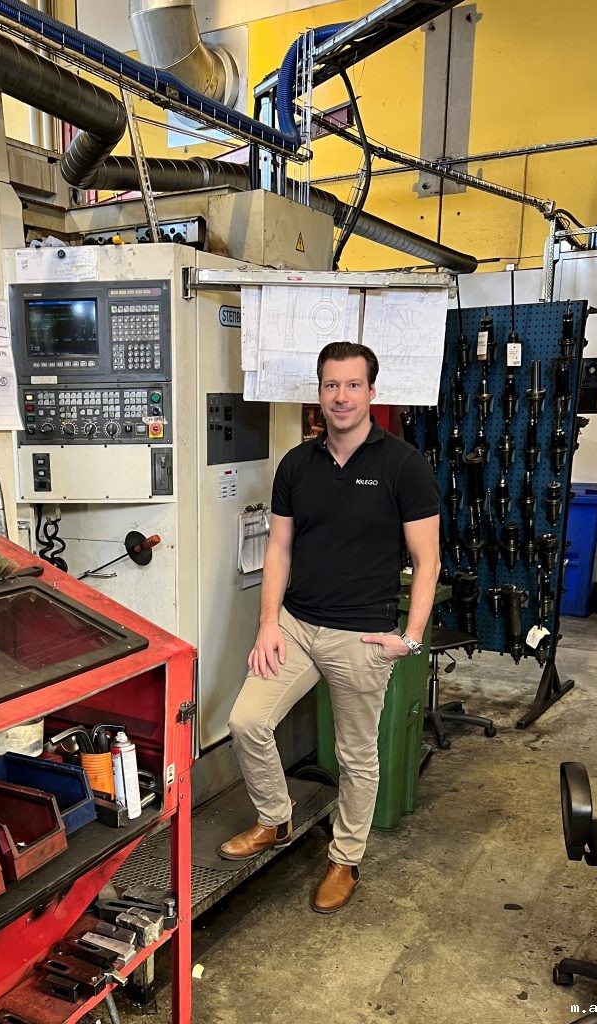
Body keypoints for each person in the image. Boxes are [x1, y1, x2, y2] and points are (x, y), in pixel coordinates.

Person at [219, 341, 441, 914]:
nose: (340, 397)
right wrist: (268, 623)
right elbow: (280, 548)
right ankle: (276, 819)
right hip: (295, 625)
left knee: (356, 756)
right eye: (330, 386)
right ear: (318, 393)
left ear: (372, 392)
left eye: (352, 385)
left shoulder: (403, 465)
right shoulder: (297, 464)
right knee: (246, 721)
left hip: (362, 636)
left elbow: (428, 561)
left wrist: (410, 637)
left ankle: (345, 859)